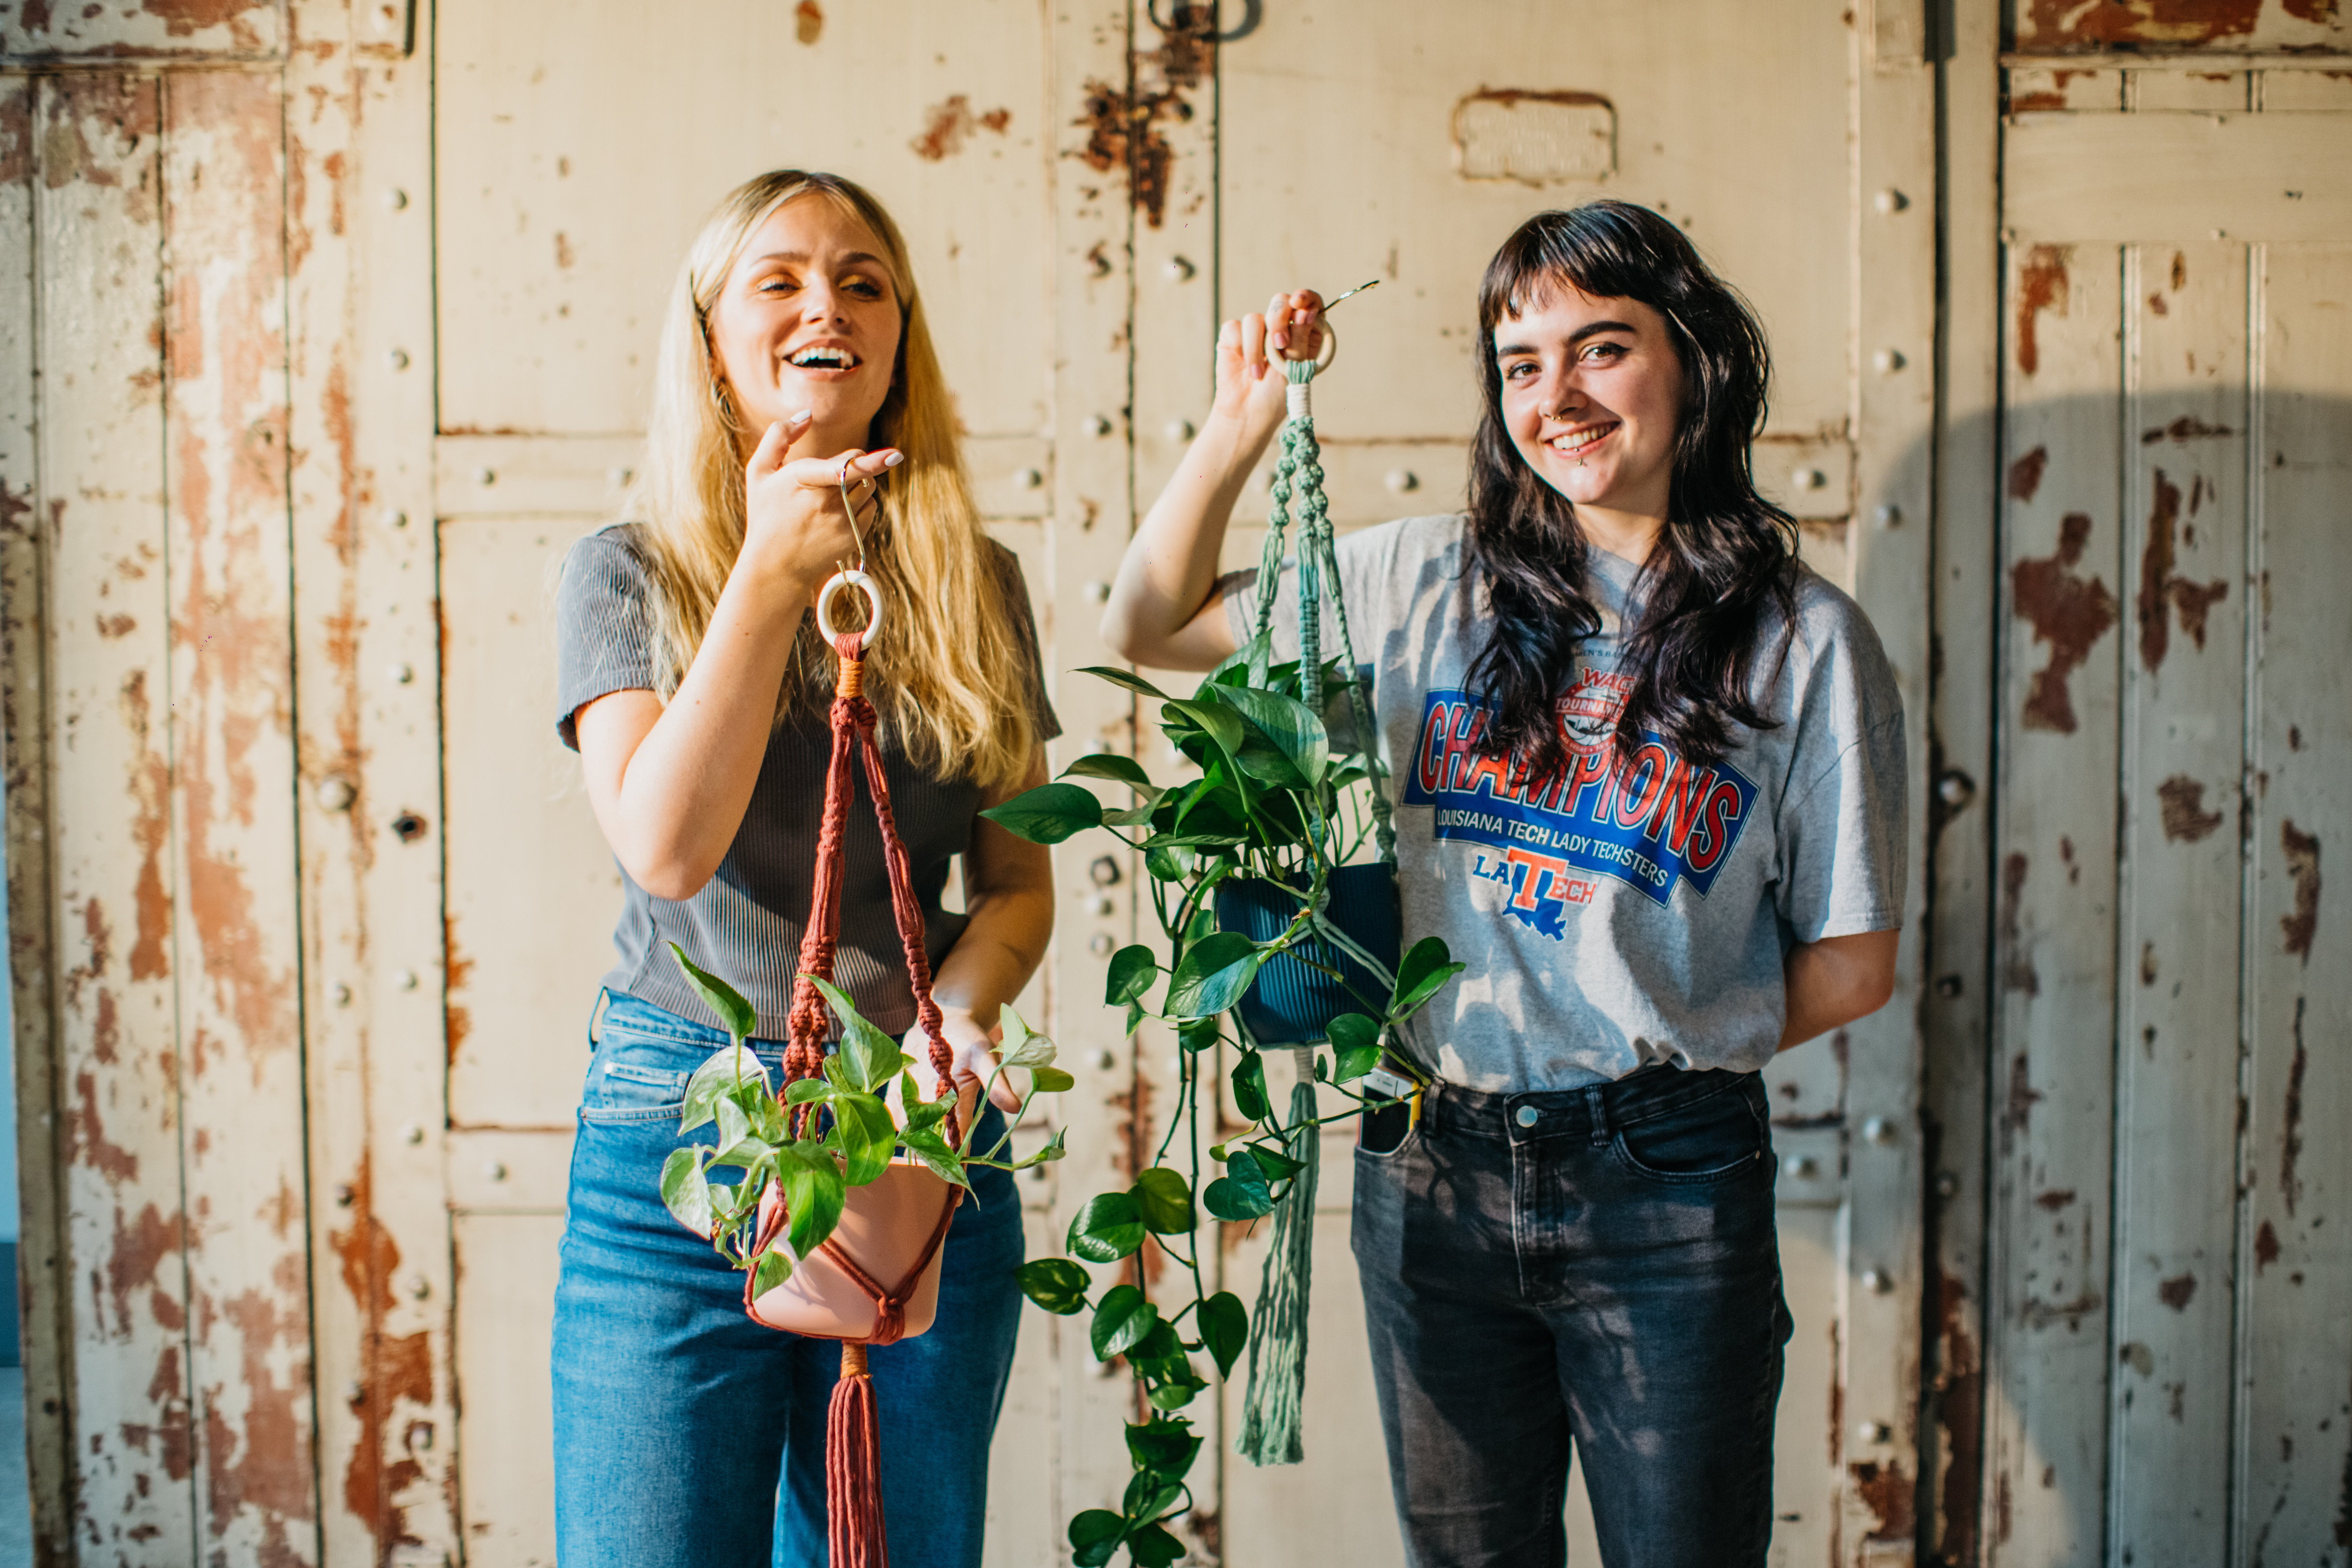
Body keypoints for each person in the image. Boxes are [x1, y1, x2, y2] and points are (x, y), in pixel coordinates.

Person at [1101, 199, 1905, 1567]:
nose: (1558, 396)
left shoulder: (1801, 643)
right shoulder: (1421, 580)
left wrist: (1655, 1036)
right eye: (1520, 364)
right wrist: (1244, 423)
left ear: (1693, 361)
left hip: (1665, 1181)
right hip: (1431, 1167)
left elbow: (1851, 958)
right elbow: (1149, 623)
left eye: (1601, 349)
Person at [549, 169, 1056, 1568]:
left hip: (911, 1127)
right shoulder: (631, 572)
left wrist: (962, 1009)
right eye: (776, 280)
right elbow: (667, 847)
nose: (823, 303)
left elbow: (1019, 882)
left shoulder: (976, 582)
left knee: (890, 1549)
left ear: (898, 338)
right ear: (712, 338)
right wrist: (768, 577)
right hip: (681, 1142)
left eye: (862, 280)